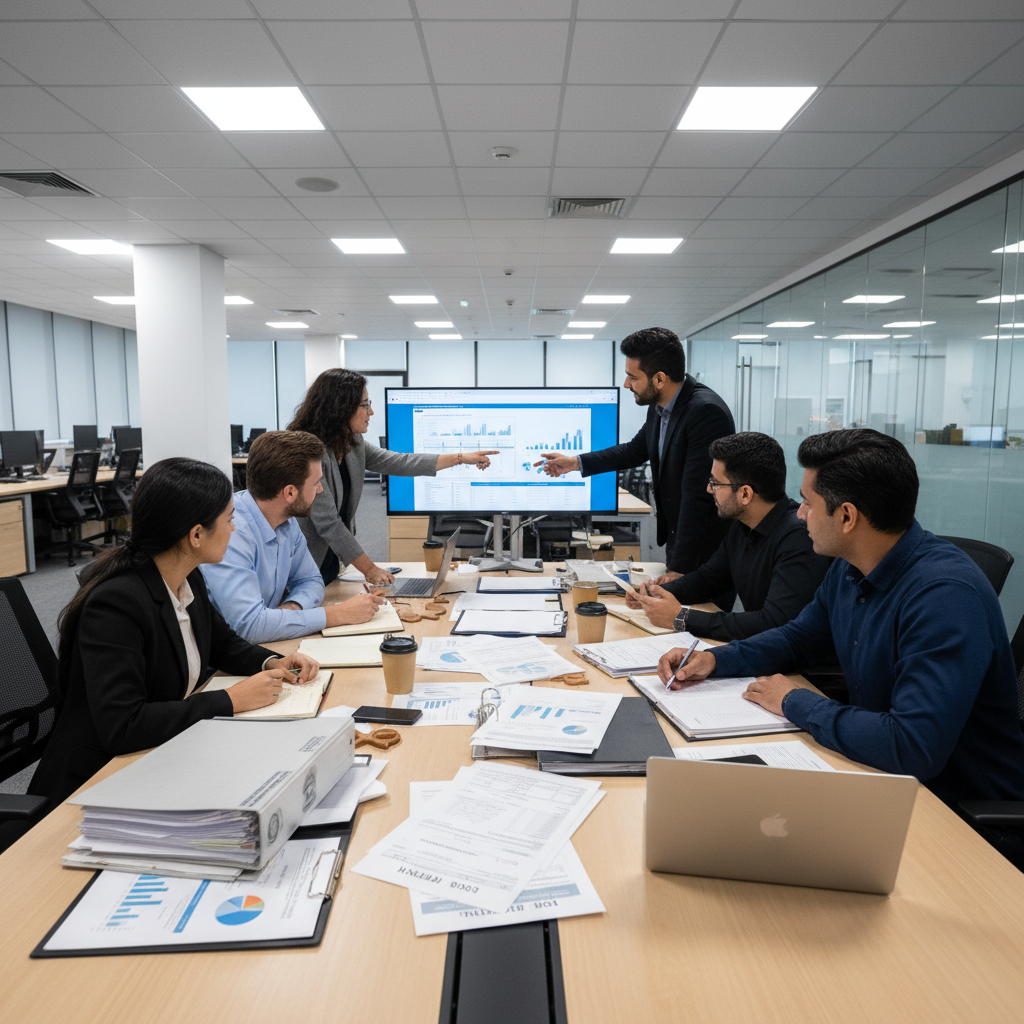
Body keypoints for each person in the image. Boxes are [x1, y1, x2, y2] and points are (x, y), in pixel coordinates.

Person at [657, 429, 1024, 839]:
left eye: (809, 504)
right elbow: (797, 638)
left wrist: (797, 702)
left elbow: (912, 746)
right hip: (880, 781)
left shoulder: (945, 597)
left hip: (956, 820)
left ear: (847, 517)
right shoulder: (851, 568)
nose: (798, 514)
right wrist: (716, 660)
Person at [29, 458, 320, 807]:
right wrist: (230, 700)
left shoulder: (187, 575)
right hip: (94, 783)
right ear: (196, 535)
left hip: (162, 755)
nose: (235, 529)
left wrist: (271, 661)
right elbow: (123, 725)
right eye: (230, 520)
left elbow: (222, 643)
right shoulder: (115, 606)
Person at [534, 327, 734, 579]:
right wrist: (575, 462)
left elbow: (697, 500)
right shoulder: (661, 406)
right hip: (680, 541)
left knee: (695, 615)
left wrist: (680, 569)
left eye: (632, 377)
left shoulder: (705, 412)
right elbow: (634, 451)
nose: (627, 384)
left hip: (704, 550)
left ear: (659, 379)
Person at [289, 368, 498, 586]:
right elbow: (328, 523)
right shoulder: (308, 452)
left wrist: (461, 457)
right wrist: (370, 569)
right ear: (341, 406)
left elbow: (399, 462)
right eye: (365, 404)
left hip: (333, 555)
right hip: (306, 559)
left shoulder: (352, 442)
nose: (371, 412)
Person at [624, 431, 832, 641]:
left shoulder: (799, 538)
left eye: (716, 483)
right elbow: (709, 579)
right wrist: (654, 594)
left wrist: (681, 618)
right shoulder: (743, 524)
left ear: (745, 494)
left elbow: (773, 623)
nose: (709, 489)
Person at [200, 430, 382, 643]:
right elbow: (249, 626)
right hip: (224, 665)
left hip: (269, 645)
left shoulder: (285, 520)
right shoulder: (231, 532)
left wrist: (292, 609)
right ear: (290, 493)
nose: (321, 489)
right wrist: (337, 614)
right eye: (316, 483)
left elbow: (311, 580)